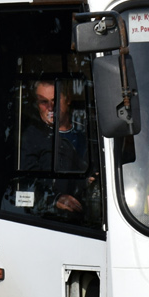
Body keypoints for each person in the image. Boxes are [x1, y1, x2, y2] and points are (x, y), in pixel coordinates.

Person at [19, 77, 90, 215]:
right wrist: (54, 199)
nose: (50, 107)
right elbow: (24, 183)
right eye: (43, 102)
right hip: (50, 221)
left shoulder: (85, 135)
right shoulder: (30, 138)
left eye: (55, 100)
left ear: (68, 99)